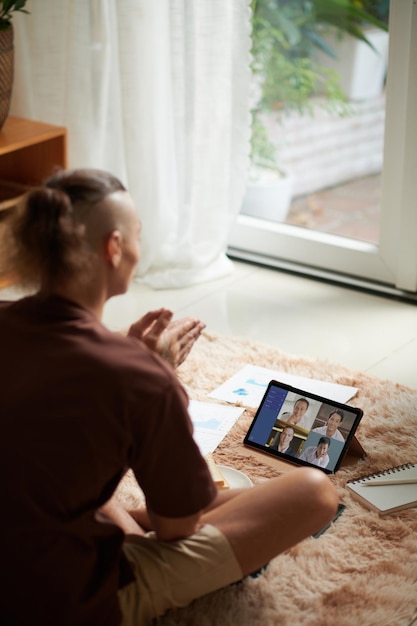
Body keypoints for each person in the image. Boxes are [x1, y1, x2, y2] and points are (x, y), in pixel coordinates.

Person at [0, 168, 339, 626]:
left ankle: (123, 524)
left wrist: (134, 364)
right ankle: (146, 539)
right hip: (63, 598)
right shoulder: (138, 376)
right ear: (115, 247)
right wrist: (156, 373)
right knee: (314, 491)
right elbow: (176, 529)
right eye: (138, 233)